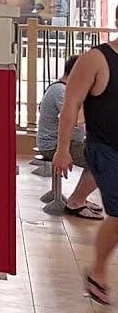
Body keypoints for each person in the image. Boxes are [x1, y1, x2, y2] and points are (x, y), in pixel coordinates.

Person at [55, 31, 118, 304]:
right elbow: (71, 104)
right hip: (105, 149)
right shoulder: (96, 59)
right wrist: (62, 149)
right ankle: (98, 272)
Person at [39, 55, 102, 218]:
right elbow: (73, 119)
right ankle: (77, 201)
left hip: (65, 143)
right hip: (54, 145)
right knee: (102, 160)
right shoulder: (62, 91)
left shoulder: (59, 88)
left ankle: (79, 198)